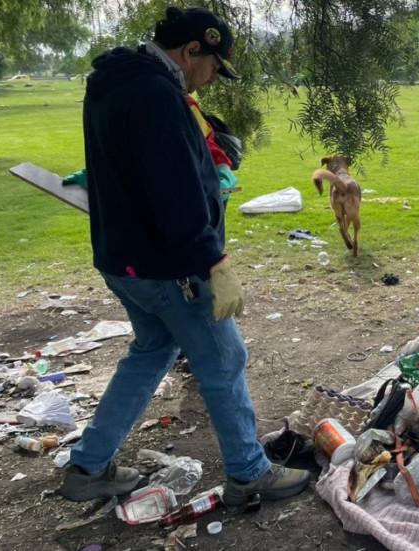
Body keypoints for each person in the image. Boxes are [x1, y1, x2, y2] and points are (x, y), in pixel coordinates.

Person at [58, 7, 312, 506]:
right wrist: (212, 263)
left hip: (122, 256)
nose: (214, 77)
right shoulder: (157, 96)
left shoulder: (114, 81)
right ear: (191, 49)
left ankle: (88, 467)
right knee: (225, 357)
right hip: (166, 264)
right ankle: (247, 473)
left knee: (152, 350)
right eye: (213, 64)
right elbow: (175, 192)